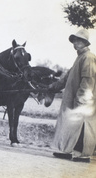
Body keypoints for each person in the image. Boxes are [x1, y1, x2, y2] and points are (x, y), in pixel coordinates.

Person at [48, 29, 96, 163]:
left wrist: (81, 99)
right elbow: (66, 78)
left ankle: (83, 155)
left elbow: (88, 80)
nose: (75, 43)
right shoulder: (79, 58)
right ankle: (68, 151)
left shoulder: (89, 57)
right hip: (75, 99)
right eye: (74, 40)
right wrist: (52, 87)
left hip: (83, 101)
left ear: (85, 42)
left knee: (82, 127)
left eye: (78, 40)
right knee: (71, 126)